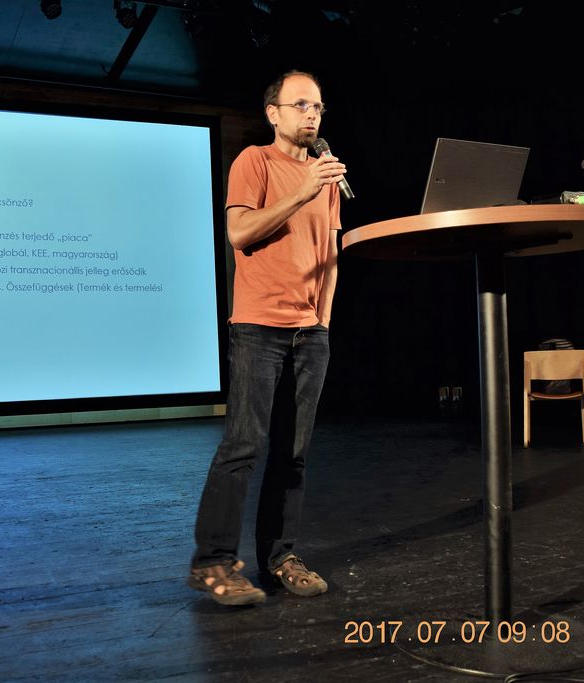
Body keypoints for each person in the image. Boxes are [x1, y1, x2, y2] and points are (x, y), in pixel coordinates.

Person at [188, 70, 346, 606]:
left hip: (310, 332)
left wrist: (323, 318)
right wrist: (302, 191)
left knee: (293, 452)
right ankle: (213, 562)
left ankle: (280, 557)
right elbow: (240, 232)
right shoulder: (254, 161)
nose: (311, 114)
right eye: (300, 104)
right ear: (272, 113)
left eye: (317, 107)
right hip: (259, 327)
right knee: (243, 446)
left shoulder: (325, 176)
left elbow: (330, 252)